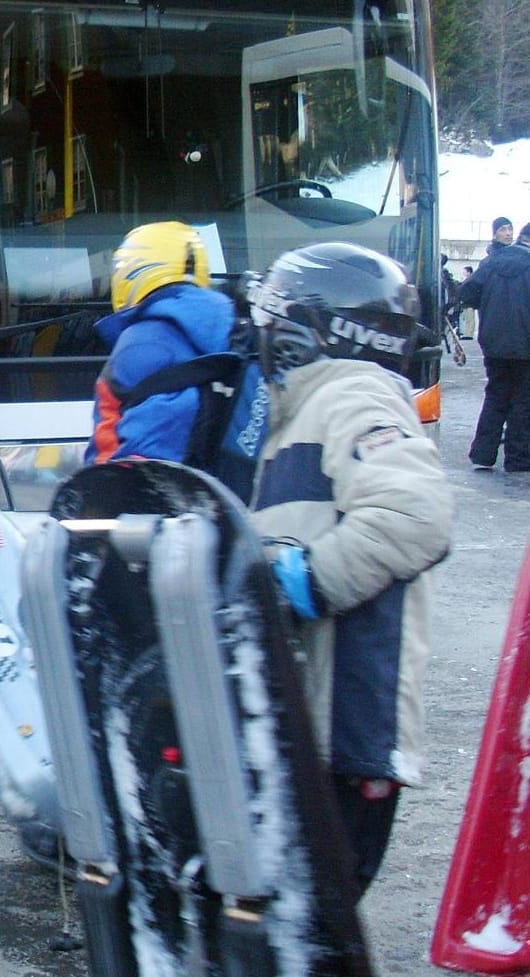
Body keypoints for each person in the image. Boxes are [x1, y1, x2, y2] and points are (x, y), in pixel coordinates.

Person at [247, 241, 453, 895]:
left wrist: (304, 582)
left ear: (316, 330)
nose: (264, 334)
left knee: (314, 916)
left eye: (274, 320)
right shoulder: (299, 412)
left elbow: (414, 513)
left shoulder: (357, 396)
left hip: (348, 721)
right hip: (308, 716)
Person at [86, 221, 241, 469]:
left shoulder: (137, 345)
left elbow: (111, 460)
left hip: (163, 497)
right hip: (228, 496)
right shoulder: (235, 325)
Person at [459, 221, 530, 471]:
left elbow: (466, 293)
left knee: (496, 395)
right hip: (525, 346)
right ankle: (519, 460)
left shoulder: (491, 263)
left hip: (493, 343)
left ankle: (483, 453)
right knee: (523, 401)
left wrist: (489, 306)